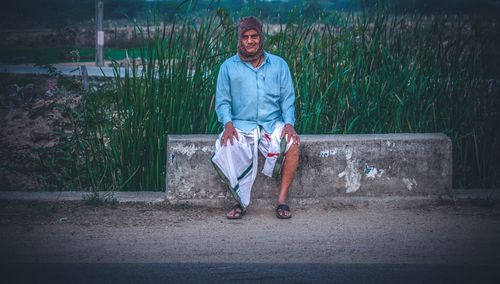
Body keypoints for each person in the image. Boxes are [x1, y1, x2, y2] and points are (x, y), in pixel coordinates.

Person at [211, 16, 300, 219]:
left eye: (254, 36)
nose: (250, 41)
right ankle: (239, 202)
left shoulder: (279, 65)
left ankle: (282, 200)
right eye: (245, 37)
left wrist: (289, 124)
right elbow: (223, 101)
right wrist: (228, 124)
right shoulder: (228, 67)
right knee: (228, 147)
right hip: (241, 126)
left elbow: (288, 99)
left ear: (261, 38)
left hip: (272, 124)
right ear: (239, 39)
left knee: (293, 144)